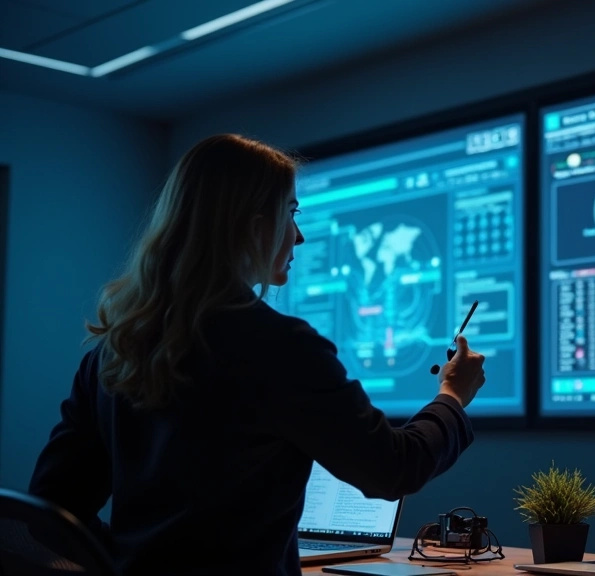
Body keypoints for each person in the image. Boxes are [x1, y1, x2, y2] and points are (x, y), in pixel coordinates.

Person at [27, 134, 487, 575]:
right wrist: (451, 397)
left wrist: (129, 562)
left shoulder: (114, 351)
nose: (299, 236)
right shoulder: (279, 345)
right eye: (290, 213)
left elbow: (51, 509)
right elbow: (392, 468)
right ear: (253, 224)